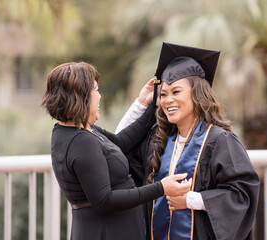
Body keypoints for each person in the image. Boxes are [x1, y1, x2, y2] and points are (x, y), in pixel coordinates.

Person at [115, 42, 260, 240]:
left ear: (197, 94)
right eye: (163, 94)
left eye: (176, 92)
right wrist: (141, 103)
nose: (168, 100)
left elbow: (242, 195)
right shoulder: (158, 141)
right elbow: (118, 148)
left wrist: (192, 200)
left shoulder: (219, 141)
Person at [40, 61, 191, 240]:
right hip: (106, 231)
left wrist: (150, 104)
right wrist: (161, 188)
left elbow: (120, 143)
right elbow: (104, 200)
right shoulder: (81, 142)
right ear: (80, 96)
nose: (100, 96)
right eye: (96, 90)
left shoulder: (78, 130)